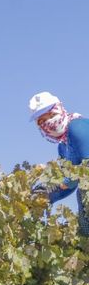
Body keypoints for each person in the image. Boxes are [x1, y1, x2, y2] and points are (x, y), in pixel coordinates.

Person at [29, 92, 89, 237]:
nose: (48, 122)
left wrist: (59, 183)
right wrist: (47, 195)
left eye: (50, 115)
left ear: (60, 109)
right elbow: (69, 183)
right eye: (42, 121)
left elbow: (84, 171)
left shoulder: (78, 127)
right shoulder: (63, 146)